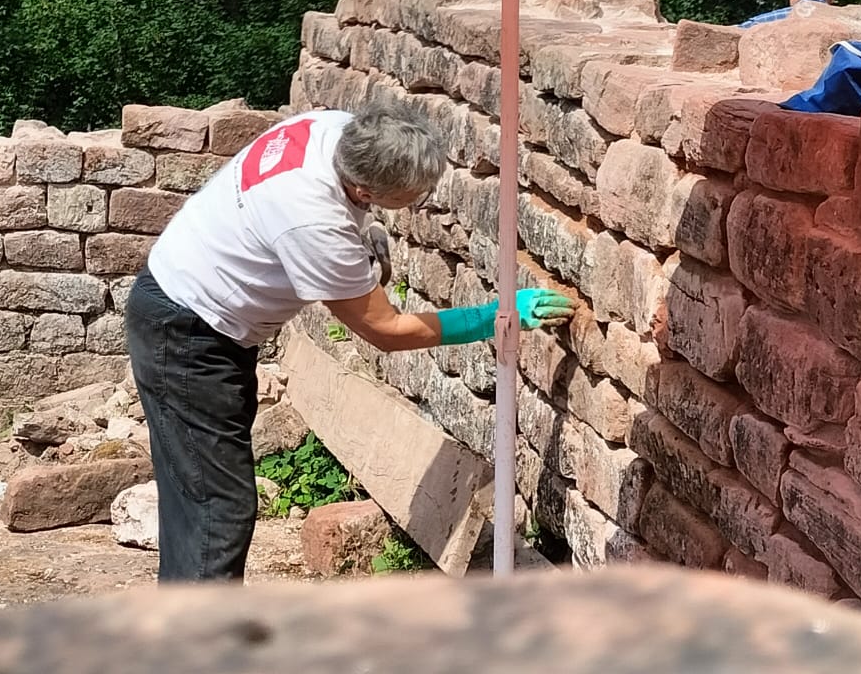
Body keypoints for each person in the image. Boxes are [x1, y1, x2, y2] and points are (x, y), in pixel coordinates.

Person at [130, 102, 573, 582]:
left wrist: (362, 241)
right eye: (413, 197)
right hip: (189, 337)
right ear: (364, 189)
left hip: (187, 310)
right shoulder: (313, 222)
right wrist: (494, 317)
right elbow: (386, 331)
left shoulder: (332, 129)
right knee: (217, 511)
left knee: (198, 502)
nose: (422, 201)